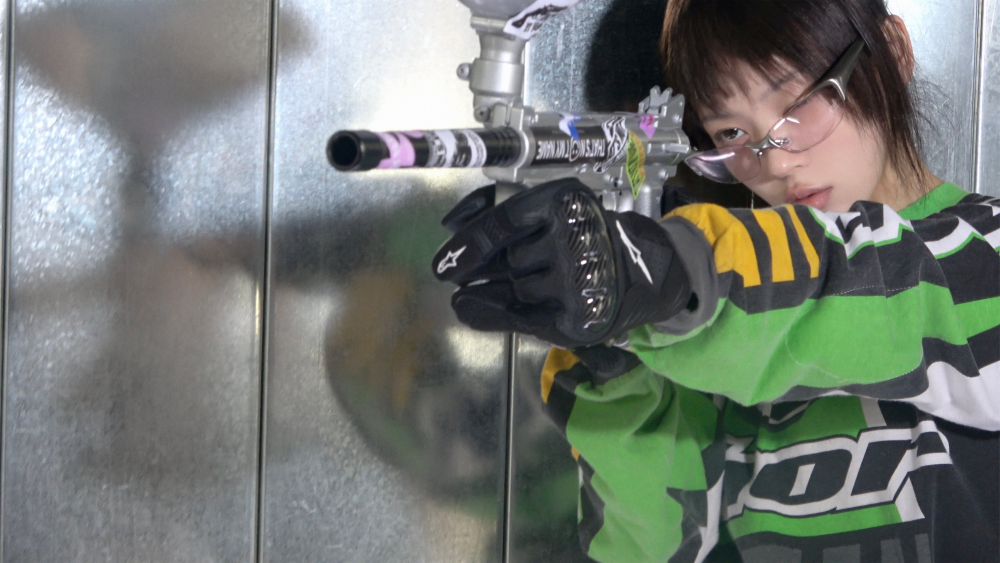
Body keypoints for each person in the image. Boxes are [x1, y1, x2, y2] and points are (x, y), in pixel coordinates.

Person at [433, 0, 1000, 560]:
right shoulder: (703, 333)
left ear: (893, 52)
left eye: (799, 103)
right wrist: (613, 360)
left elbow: (883, 288)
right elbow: (651, 548)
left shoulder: (980, 254)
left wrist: (681, 271)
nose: (775, 163)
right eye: (731, 131)